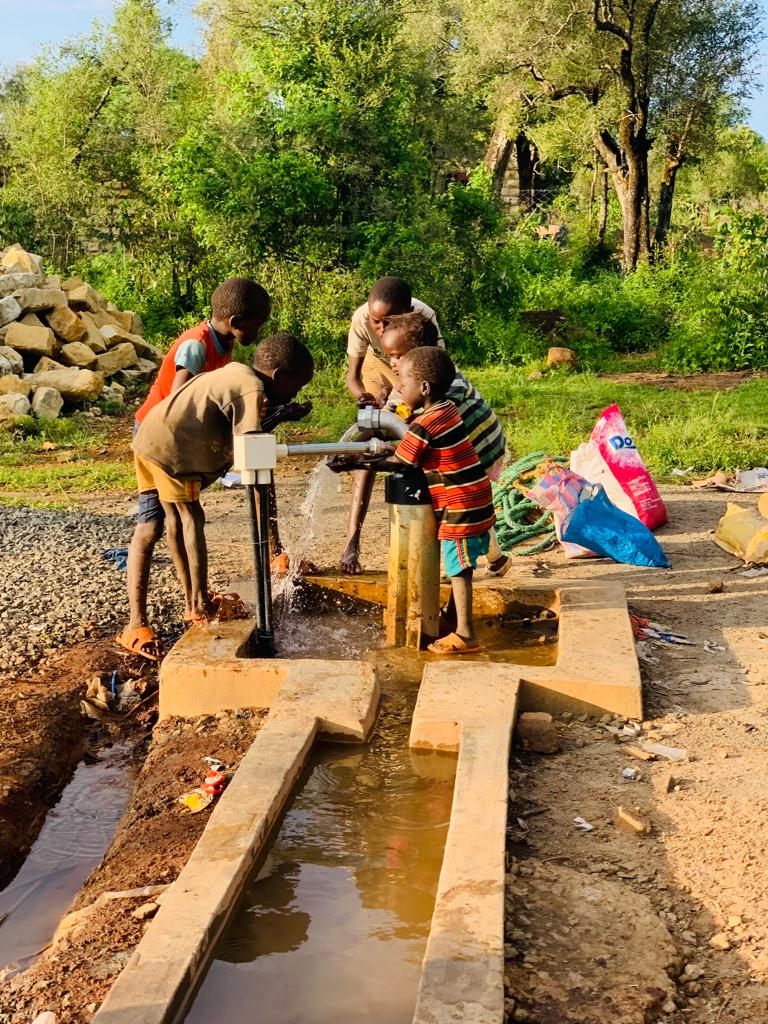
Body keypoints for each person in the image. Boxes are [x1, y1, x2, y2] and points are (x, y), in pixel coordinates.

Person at [117, 334, 314, 660]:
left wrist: (281, 412)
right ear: (279, 376)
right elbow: (250, 448)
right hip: (172, 450)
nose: (297, 393)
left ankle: (192, 602)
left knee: (173, 523)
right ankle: (198, 603)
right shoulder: (253, 389)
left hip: (150, 436)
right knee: (191, 518)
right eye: (296, 386)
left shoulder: (239, 372)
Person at [119, 278, 271, 660]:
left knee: (172, 519)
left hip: (166, 435)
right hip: (162, 434)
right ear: (236, 320)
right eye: (257, 323)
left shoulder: (227, 342)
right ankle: (140, 620)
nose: (259, 331)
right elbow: (179, 402)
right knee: (156, 524)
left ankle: (194, 602)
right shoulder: (195, 346)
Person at [338, 346, 496, 656]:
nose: (397, 387)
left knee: (457, 565)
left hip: (460, 503)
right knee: (462, 562)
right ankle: (453, 617)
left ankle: (466, 633)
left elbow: (400, 461)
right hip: (475, 495)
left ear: (423, 388)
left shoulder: (426, 423)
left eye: (403, 382)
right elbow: (409, 451)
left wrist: (355, 461)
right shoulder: (445, 409)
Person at [380, 311, 511, 577]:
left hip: (481, 449)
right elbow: (394, 412)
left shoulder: (446, 384)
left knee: (462, 503)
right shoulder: (413, 380)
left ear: (421, 356)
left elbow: (416, 422)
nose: (392, 364)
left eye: (398, 356)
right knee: (470, 504)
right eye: (390, 356)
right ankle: (495, 558)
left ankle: (457, 564)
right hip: (465, 453)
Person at [341, 276, 442, 573]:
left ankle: (432, 540)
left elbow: (435, 372)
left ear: (408, 313)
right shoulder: (362, 320)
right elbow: (353, 377)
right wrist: (366, 400)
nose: (381, 329)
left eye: (389, 321)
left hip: (413, 360)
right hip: (378, 365)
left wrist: (404, 402)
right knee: (369, 436)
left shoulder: (424, 320)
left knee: (421, 440)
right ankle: (352, 542)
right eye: (377, 322)